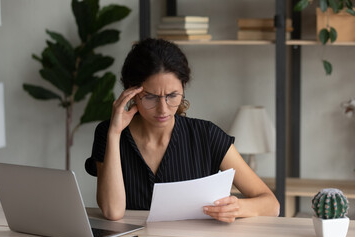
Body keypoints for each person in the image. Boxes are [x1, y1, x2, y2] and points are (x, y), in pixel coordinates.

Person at [85, 38, 279, 223]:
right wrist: (114, 133)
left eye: (172, 95)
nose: (163, 109)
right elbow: (112, 211)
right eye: (150, 97)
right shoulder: (108, 134)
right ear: (131, 93)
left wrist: (237, 208)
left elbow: (271, 205)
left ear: (183, 88)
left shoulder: (207, 135)